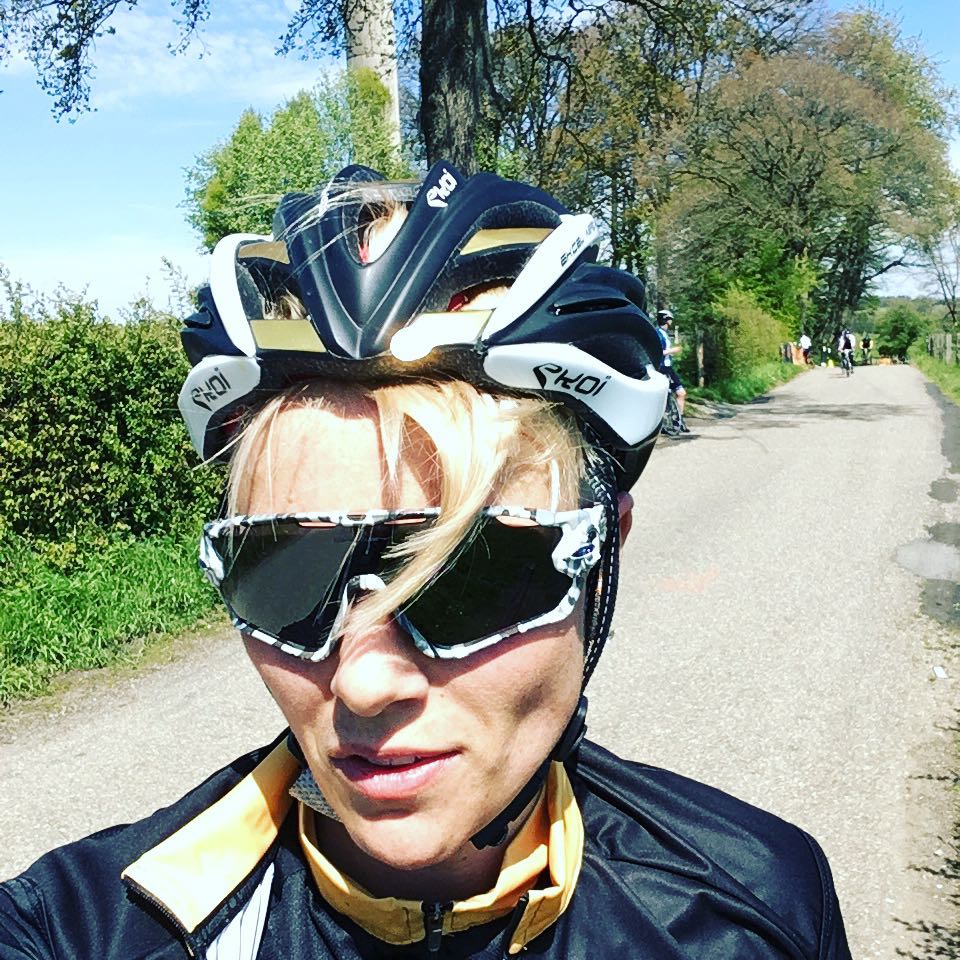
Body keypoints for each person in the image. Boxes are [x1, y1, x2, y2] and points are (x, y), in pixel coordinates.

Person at [0, 162, 851, 959]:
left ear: (601, 560)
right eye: (283, 575)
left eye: (472, 576)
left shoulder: (761, 908)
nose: (365, 684)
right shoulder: (73, 929)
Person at [655, 308, 690, 431]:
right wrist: (672, 350)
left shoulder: (665, 334)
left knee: (681, 393)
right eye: (670, 319)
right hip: (662, 368)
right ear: (666, 320)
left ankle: (679, 421)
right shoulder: (658, 333)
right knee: (665, 396)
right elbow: (658, 352)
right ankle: (665, 423)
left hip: (669, 368)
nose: (671, 321)